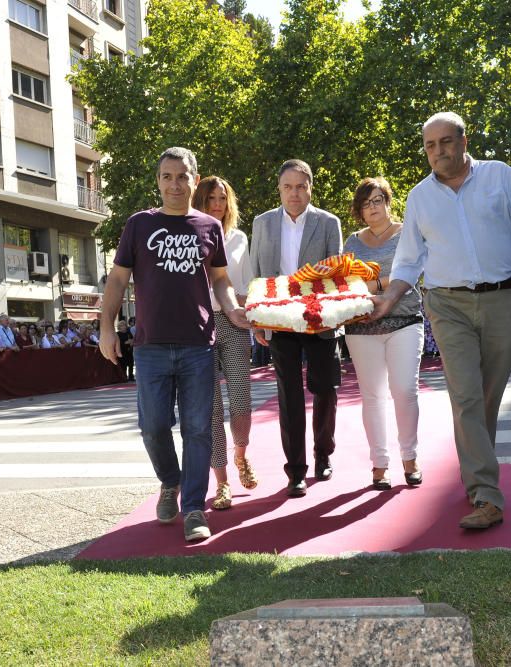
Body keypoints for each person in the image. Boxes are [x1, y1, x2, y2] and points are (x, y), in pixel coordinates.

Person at [370, 112, 511, 531]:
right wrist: (388, 299)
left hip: (502, 298)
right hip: (446, 304)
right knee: (466, 395)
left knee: (488, 395)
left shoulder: (500, 176)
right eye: (430, 146)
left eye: (445, 142)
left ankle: (474, 469)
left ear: (464, 141)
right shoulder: (419, 197)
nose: (438, 152)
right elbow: (409, 258)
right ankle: (486, 493)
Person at [98, 146, 250, 543]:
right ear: (158, 182)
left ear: (194, 180)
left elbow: (220, 279)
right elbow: (116, 280)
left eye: (182, 176)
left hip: (198, 344)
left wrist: (233, 310)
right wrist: (106, 326)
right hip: (149, 346)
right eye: (167, 176)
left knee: (199, 429)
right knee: (153, 427)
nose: (174, 184)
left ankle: (194, 508)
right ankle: (170, 481)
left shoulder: (208, 227)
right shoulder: (139, 225)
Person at [249, 159, 343, 498]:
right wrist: (257, 319)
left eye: (301, 186)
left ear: (310, 188)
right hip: (280, 321)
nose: (294, 193)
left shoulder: (328, 223)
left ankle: (323, 455)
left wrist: (331, 312)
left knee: (325, 389)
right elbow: (257, 274)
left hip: (320, 319)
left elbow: (337, 277)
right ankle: (296, 472)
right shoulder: (262, 223)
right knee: (288, 397)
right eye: (288, 186)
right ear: (279, 188)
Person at [343, 177, 424, 490]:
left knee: (404, 390)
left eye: (377, 200)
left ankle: (410, 456)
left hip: (404, 320)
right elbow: (347, 282)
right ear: (359, 211)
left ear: (389, 202)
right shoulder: (352, 242)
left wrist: (377, 284)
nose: (372, 207)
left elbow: (415, 270)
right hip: (361, 327)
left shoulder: (407, 233)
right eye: (365, 203)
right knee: (372, 397)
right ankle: (380, 464)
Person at [193, 175, 258, 509]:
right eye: (210, 199)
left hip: (233, 322)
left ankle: (241, 453)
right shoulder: (188, 235)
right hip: (198, 327)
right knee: (211, 410)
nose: (217, 205)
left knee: (241, 400)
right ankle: (222, 484)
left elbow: (244, 287)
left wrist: (254, 321)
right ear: (199, 202)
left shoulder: (238, 239)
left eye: (222, 198)